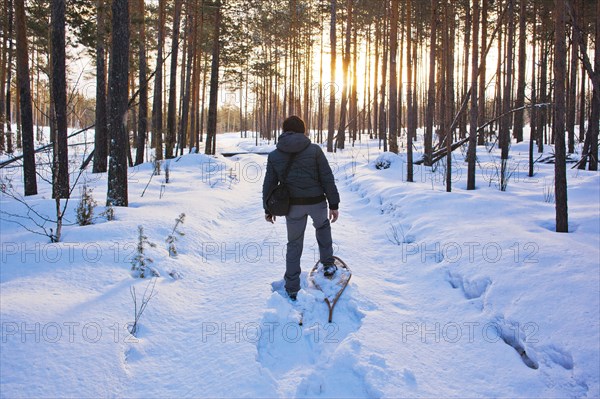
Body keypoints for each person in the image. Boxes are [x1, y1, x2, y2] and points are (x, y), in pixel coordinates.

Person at [262, 116, 340, 301]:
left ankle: (292, 287)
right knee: (322, 229)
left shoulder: (274, 155)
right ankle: (328, 265)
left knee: (294, 244)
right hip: (317, 203)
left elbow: (269, 184)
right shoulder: (314, 151)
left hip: (293, 206)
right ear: (302, 130)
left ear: (284, 130)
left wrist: (268, 209)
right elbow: (327, 178)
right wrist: (334, 204)